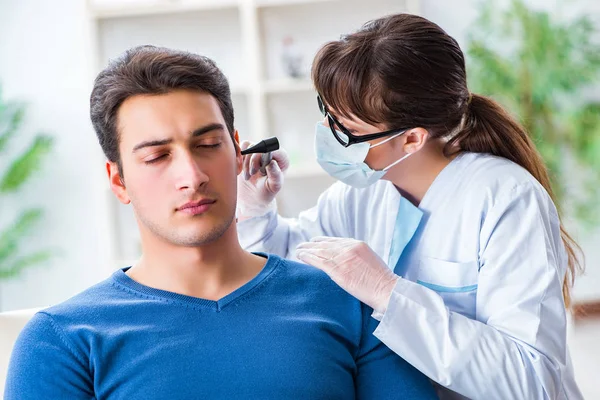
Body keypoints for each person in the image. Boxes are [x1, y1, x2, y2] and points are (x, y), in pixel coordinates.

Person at [4, 46, 437, 399]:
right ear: (119, 181)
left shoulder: (348, 303)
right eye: (157, 157)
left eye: (208, 144)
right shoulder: (61, 341)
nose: (192, 176)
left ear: (236, 151)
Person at [237, 13, 584, 400]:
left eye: (346, 130)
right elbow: (291, 264)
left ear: (412, 139)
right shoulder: (361, 193)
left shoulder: (506, 198)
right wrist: (257, 215)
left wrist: (389, 294)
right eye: (327, 114)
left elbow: (532, 382)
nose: (328, 135)